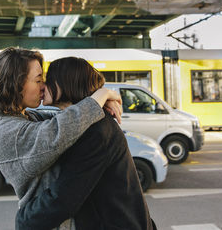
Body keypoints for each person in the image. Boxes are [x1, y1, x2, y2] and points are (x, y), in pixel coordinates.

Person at [16, 57, 155, 230]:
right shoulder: (80, 124)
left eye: (49, 80)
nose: (43, 86)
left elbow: (65, 197)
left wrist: (24, 220)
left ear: (66, 83)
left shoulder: (96, 131)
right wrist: (103, 95)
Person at [0, 47, 122, 213]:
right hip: (45, 218)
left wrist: (100, 102)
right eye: (38, 80)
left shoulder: (25, 117)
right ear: (15, 83)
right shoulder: (2, 131)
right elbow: (57, 131)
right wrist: (101, 96)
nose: (43, 86)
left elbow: (67, 116)